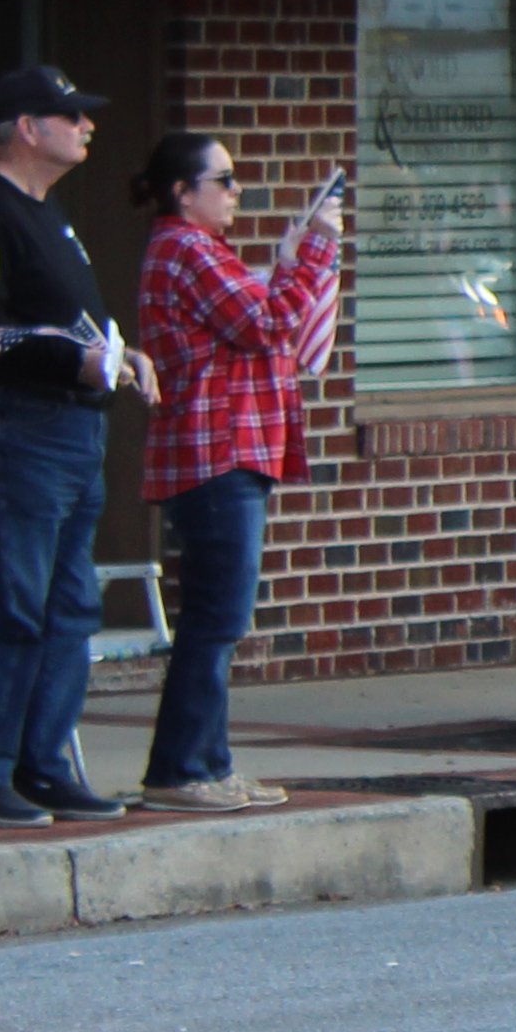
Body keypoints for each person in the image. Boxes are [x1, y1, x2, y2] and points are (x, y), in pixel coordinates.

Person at [0, 64, 162, 828]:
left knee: (72, 608)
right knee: (20, 606)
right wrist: (72, 360)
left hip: (74, 426)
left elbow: (71, 322)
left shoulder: (49, 213)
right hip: (20, 426)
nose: (88, 127)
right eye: (73, 116)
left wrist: (119, 359)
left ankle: (44, 763)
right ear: (28, 128)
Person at [127, 131, 343, 813]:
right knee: (216, 619)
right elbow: (270, 321)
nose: (236, 190)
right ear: (182, 193)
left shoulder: (199, 252)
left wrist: (286, 260)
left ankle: (208, 765)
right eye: (223, 179)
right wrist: (314, 249)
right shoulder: (186, 250)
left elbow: (259, 319)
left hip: (227, 453)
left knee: (219, 619)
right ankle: (181, 770)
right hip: (214, 454)